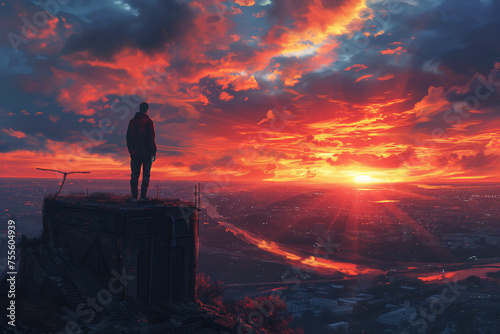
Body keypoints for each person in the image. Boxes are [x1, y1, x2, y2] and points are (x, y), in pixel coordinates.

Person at [126, 102, 157, 202]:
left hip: (135, 153)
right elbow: (151, 138)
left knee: (134, 175)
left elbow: (128, 137)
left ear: (140, 109)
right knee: (146, 175)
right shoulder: (149, 122)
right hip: (147, 154)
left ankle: (134, 197)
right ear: (147, 109)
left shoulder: (132, 122)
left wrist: (131, 151)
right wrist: (153, 152)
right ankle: (143, 196)